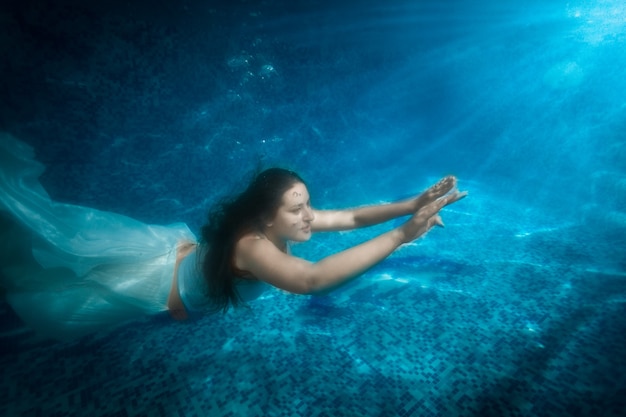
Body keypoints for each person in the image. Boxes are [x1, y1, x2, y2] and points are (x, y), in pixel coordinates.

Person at [0, 133, 466, 340]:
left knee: (58, 252)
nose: (310, 217)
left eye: (308, 205)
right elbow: (311, 279)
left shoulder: (270, 225)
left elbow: (347, 218)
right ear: (267, 217)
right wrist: (407, 232)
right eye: (298, 209)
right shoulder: (252, 245)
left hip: (167, 255)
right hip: (148, 284)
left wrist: (411, 202)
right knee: (34, 284)